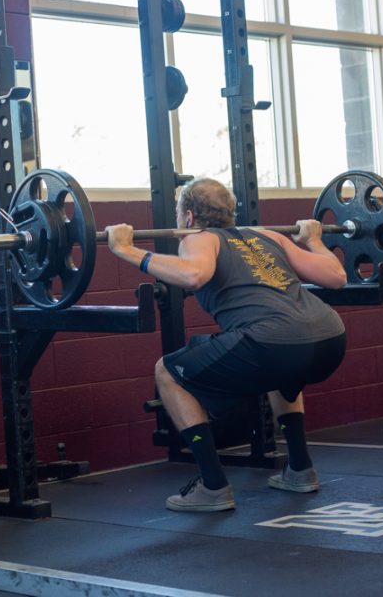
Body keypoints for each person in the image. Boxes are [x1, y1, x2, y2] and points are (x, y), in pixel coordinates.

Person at [106, 177, 348, 512]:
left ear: (189, 217)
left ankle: (213, 486)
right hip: (330, 338)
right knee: (280, 369)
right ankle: (300, 469)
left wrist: (127, 250)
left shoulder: (198, 238)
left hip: (272, 341)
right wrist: (315, 240)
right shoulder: (268, 235)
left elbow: (193, 276)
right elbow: (337, 276)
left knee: (167, 372)